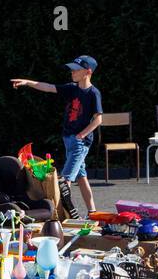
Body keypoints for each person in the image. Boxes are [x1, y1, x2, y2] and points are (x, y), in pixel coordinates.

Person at [10, 55, 103, 216]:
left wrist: (81, 135)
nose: (72, 72)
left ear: (87, 72)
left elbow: (98, 119)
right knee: (81, 177)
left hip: (79, 143)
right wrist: (27, 82)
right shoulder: (71, 88)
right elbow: (48, 87)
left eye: (76, 69)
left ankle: (60, 214)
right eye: (72, 69)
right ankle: (92, 211)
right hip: (69, 140)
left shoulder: (93, 93)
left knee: (64, 181)